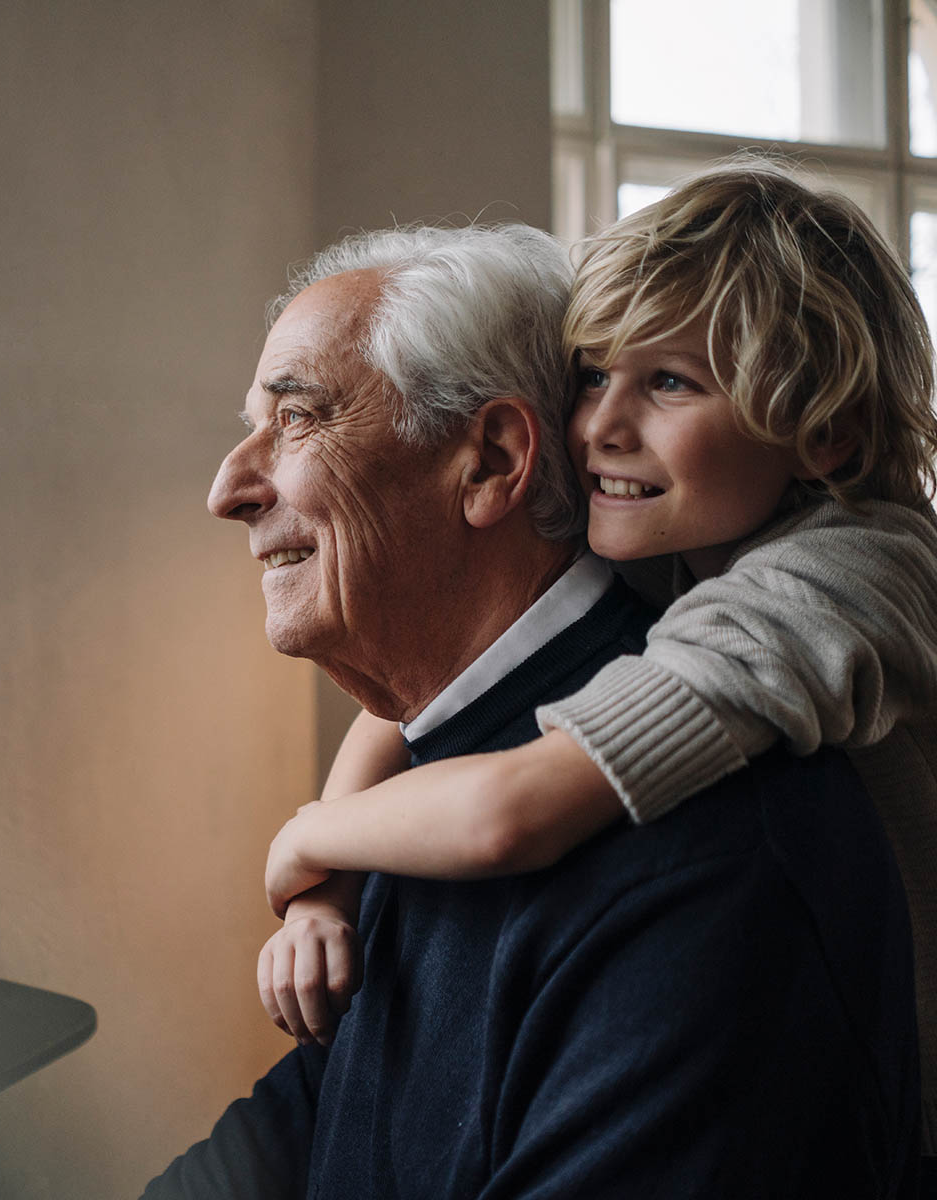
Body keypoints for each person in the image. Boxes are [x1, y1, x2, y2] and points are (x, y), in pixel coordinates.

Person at [141, 221, 919, 1197]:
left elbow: (510, 807)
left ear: (496, 460)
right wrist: (323, 881)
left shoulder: (716, 813)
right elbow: (341, 1093)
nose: (227, 488)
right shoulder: (468, 707)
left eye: (297, 419)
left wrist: (309, 834)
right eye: (597, 380)